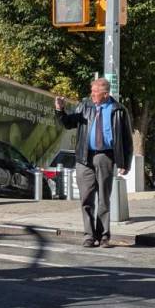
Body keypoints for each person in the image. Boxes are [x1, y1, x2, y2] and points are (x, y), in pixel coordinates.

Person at [54, 78, 133, 248]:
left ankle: (103, 235)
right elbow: (68, 124)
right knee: (86, 198)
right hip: (84, 157)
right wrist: (60, 110)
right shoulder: (85, 106)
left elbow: (127, 139)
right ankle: (89, 235)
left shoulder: (118, 110)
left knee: (104, 198)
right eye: (92, 91)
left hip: (105, 156)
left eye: (95, 92)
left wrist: (125, 162)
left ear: (105, 94)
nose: (92, 95)